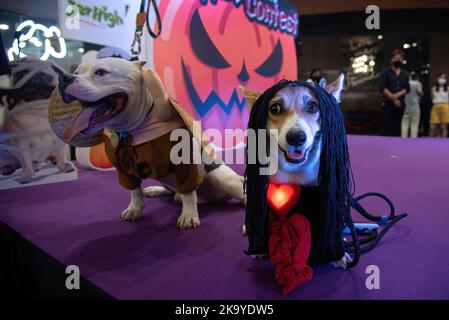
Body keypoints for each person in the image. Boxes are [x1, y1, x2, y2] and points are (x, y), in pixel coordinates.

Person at [379, 49, 410, 136]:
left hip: (400, 103)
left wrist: (397, 96)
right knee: (387, 125)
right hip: (387, 102)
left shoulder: (405, 74)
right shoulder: (385, 72)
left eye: (400, 59)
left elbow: (407, 88)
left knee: (397, 127)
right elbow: (382, 87)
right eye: (396, 58)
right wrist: (393, 98)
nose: (398, 60)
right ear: (391, 59)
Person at [401, 71, 423, 138]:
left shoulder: (405, 83)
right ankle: (413, 141)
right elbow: (421, 94)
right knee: (414, 125)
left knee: (404, 124)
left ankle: (403, 140)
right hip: (415, 107)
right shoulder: (418, 84)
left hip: (406, 107)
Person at [429, 73, 449, 138]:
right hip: (435, 106)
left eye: (444, 78)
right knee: (432, 126)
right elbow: (432, 98)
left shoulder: (448, 88)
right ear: (437, 79)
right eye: (441, 78)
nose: (442, 79)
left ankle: (443, 141)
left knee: (443, 126)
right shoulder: (434, 88)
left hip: (445, 106)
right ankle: (431, 140)